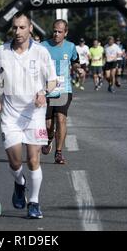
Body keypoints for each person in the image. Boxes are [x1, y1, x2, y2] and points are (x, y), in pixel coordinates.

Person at [0, 12, 57, 219]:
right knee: (15, 162)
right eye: (15, 27)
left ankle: (34, 202)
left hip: (35, 113)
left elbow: (53, 80)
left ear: (30, 29)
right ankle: (20, 183)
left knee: (33, 160)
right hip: (10, 114)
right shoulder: (2, 51)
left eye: (22, 27)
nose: (18, 31)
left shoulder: (41, 52)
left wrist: (44, 92)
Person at [41, 19, 83, 164]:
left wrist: (78, 69)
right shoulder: (43, 46)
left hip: (63, 88)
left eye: (59, 32)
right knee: (48, 125)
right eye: (54, 31)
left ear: (65, 33)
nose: (56, 34)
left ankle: (58, 153)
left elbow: (75, 61)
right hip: (46, 89)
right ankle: (48, 139)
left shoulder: (70, 47)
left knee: (61, 118)